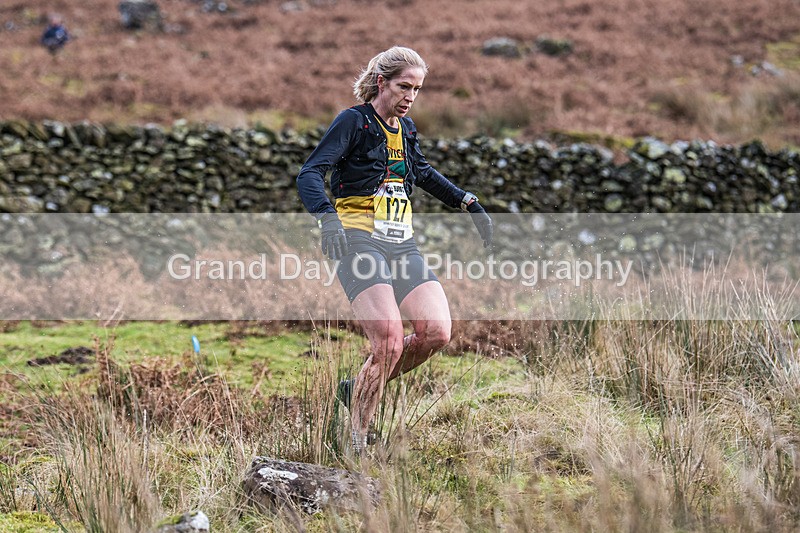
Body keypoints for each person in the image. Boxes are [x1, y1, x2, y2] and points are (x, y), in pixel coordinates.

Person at [296, 46, 493, 455]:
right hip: (357, 239)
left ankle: (359, 385)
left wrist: (466, 202)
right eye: (404, 86)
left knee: (437, 331)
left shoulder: (406, 129)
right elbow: (310, 172)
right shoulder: (353, 121)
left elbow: (422, 173)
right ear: (381, 82)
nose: (410, 97)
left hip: (401, 243)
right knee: (388, 342)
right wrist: (327, 218)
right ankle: (356, 444)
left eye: (417, 90)